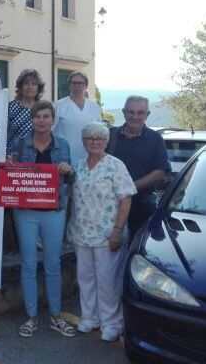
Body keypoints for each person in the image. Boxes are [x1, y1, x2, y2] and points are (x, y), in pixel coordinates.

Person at [7, 101, 76, 338]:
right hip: (25, 211)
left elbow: (69, 180)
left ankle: (56, 317)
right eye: (38, 116)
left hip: (53, 210)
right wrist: (10, 166)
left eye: (46, 116)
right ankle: (31, 317)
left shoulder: (63, 144)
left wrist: (68, 171)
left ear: (52, 120)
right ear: (33, 119)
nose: (41, 120)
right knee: (28, 264)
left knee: (52, 264)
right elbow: (13, 173)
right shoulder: (22, 142)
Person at [67, 122, 136, 342]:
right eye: (90, 138)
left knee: (108, 281)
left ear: (106, 142)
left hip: (108, 234)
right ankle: (90, 317)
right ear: (84, 141)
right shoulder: (77, 166)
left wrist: (118, 230)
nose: (94, 142)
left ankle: (112, 323)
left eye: (99, 138)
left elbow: (126, 200)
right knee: (85, 278)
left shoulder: (115, 166)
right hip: (82, 232)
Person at [105, 95, 170, 239]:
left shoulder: (155, 139)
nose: (135, 116)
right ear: (123, 112)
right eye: (131, 112)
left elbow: (160, 172)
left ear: (148, 115)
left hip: (141, 206)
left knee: (136, 251)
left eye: (140, 112)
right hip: (110, 204)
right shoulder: (110, 135)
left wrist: (130, 188)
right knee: (108, 247)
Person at [53, 71, 101, 162]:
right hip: (63, 157)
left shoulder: (95, 107)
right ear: (69, 85)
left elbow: (99, 134)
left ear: (85, 86)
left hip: (88, 158)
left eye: (80, 83)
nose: (77, 86)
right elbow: (50, 131)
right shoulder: (59, 106)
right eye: (74, 83)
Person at [7, 69, 46, 153]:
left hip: (38, 157)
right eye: (26, 83)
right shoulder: (10, 108)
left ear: (39, 87)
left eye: (34, 84)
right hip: (13, 158)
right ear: (21, 87)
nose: (30, 87)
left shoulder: (44, 109)